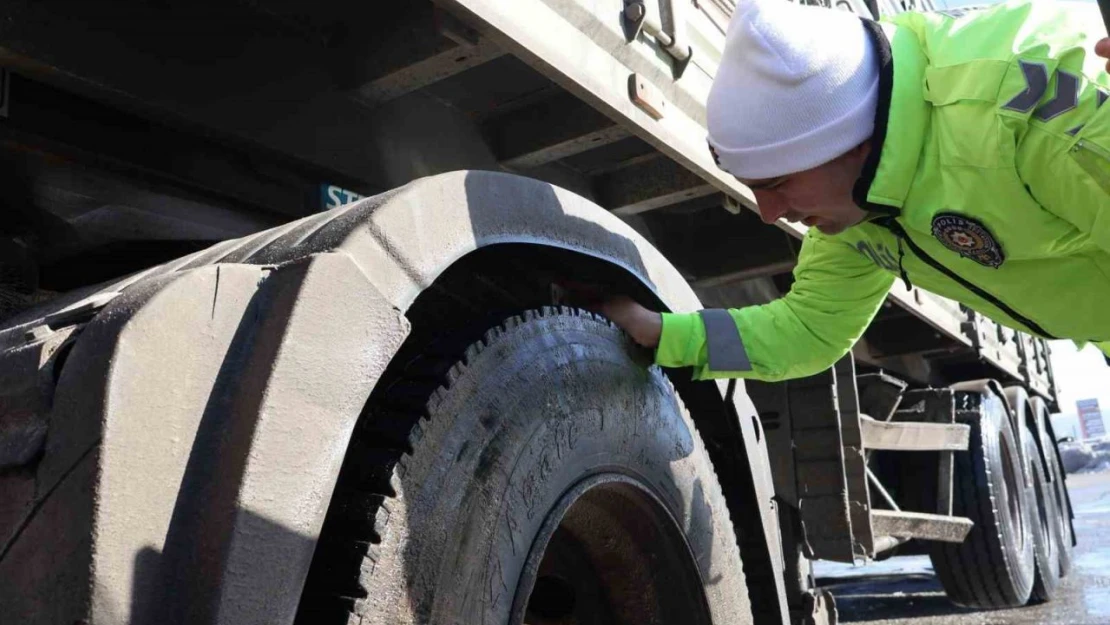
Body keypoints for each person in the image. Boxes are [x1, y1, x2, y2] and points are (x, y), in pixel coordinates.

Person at [593, 0, 1110, 382]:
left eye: (777, 183)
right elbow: (809, 330)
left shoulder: (1033, 117)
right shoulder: (859, 210)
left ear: (852, 143)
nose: (770, 215)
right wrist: (665, 333)